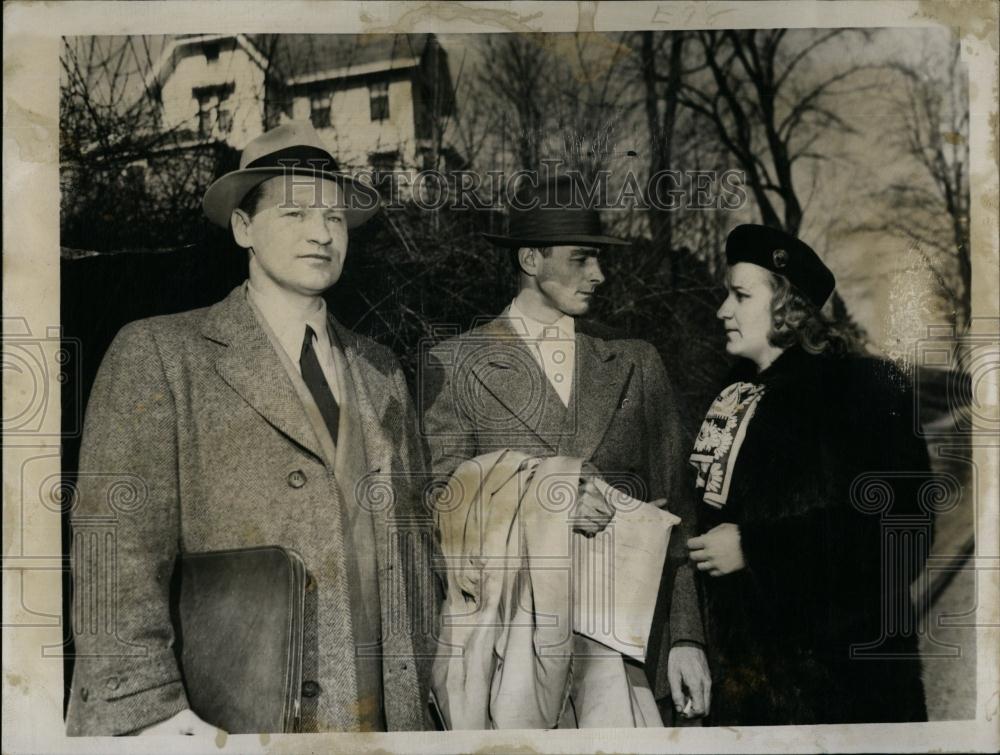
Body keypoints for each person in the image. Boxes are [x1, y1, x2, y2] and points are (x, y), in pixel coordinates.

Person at [66, 122, 433, 735]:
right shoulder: (160, 353)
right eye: (294, 213)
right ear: (243, 229)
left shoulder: (381, 370)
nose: (322, 233)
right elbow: (114, 550)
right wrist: (150, 713)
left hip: (383, 715)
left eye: (336, 219)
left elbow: (415, 546)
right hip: (228, 717)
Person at [421, 175, 710, 726]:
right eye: (581, 259)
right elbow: (442, 510)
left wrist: (686, 638)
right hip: (509, 661)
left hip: (626, 655)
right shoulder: (454, 365)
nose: (599, 275)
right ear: (531, 258)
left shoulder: (636, 361)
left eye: (600, 259)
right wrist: (548, 505)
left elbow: (678, 514)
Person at [687, 223, 930, 725]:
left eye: (739, 295)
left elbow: (899, 536)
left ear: (789, 306)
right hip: (747, 702)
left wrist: (758, 549)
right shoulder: (733, 399)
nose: (722, 311)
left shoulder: (865, 390)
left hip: (846, 698)